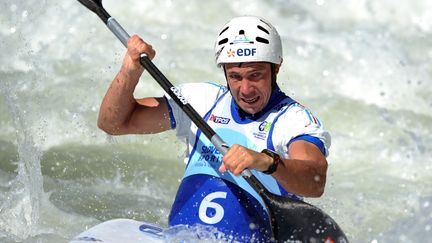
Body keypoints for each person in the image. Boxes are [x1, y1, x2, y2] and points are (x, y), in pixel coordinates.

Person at [97, 16, 330, 242]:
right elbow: (114, 123)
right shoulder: (200, 101)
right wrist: (130, 71)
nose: (246, 89)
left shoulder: (294, 120)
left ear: (276, 68)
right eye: (235, 76)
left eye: (255, 75)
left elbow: (315, 181)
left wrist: (266, 161)